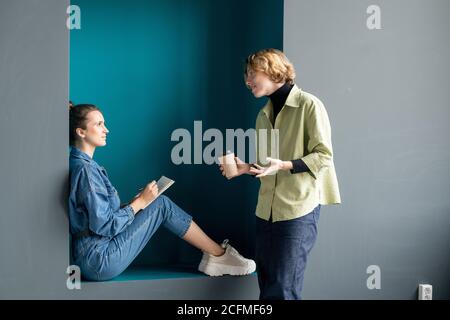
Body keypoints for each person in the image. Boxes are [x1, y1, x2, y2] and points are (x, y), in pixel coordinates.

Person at [68, 102, 256, 281]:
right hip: (99, 259)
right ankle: (218, 255)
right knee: (162, 205)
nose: (106, 129)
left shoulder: (83, 165)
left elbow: (97, 218)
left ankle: (216, 255)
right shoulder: (86, 170)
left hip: (92, 255)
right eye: (99, 124)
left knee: (156, 203)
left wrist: (139, 203)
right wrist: (140, 203)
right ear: (81, 132)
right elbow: (104, 226)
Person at [219, 49, 341, 299]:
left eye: (253, 73)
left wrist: (284, 165)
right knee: (267, 285)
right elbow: (269, 165)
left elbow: (324, 156)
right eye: (246, 75)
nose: (247, 81)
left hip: (298, 210)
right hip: (266, 211)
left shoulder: (309, 105)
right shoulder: (262, 115)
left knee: (283, 289)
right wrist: (246, 168)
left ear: (273, 70)